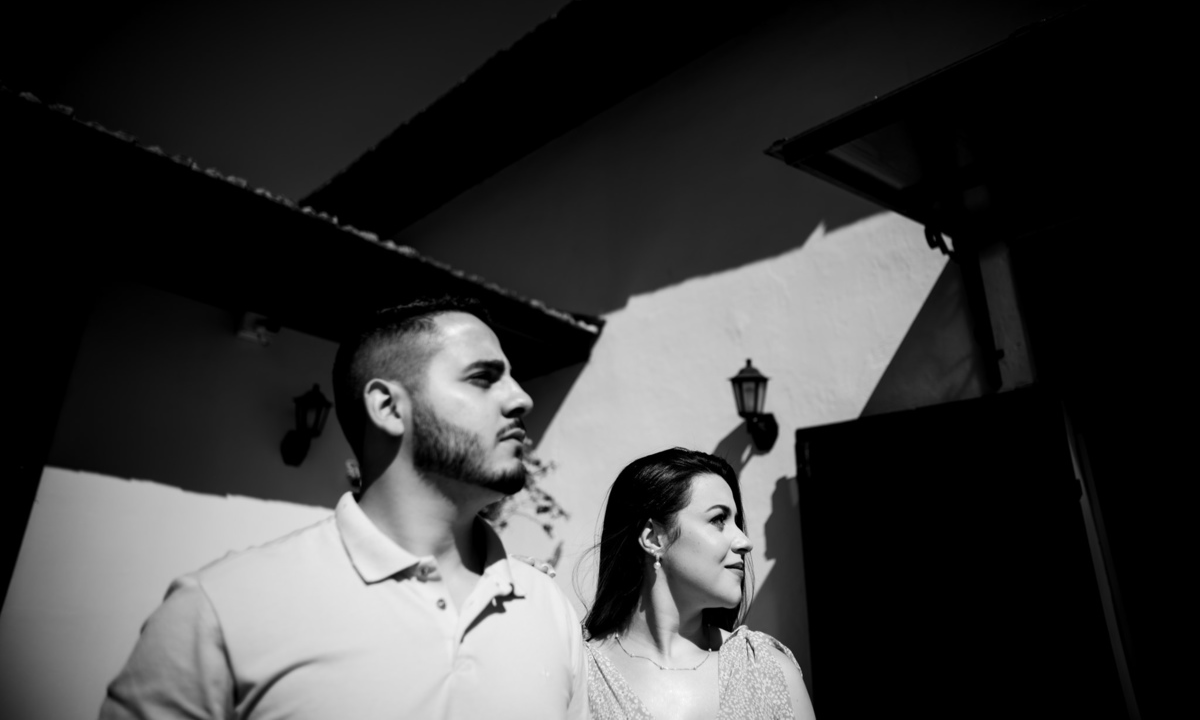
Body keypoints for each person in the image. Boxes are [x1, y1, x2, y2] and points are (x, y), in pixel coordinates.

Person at [100, 296, 587, 719]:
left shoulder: (548, 608)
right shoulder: (220, 609)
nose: (521, 399)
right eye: (483, 378)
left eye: (513, 379)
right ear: (388, 408)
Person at [583, 448, 816, 719]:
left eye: (737, 522)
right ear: (654, 539)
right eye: (718, 519)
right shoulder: (579, 672)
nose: (745, 542)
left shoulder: (766, 669)